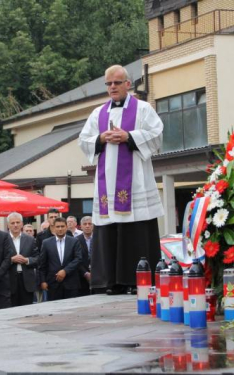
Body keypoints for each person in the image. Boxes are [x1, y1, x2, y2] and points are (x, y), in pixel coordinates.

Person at [78, 65, 164, 295]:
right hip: (107, 185)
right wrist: (101, 138)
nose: (112, 87)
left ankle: (138, 280)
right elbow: (83, 140)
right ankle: (111, 282)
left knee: (135, 230)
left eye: (117, 82)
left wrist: (129, 137)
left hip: (135, 180)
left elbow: (157, 135)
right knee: (110, 229)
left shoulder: (143, 109)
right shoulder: (98, 113)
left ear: (128, 83)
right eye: (109, 84)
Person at [39, 217, 82, 301]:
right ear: (54, 228)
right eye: (58, 226)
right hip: (53, 284)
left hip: (71, 283)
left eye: (62, 226)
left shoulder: (74, 241)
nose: (60, 229)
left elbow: (78, 259)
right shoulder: (46, 243)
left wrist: (65, 271)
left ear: (66, 227)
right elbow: (42, 264)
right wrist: (43, 281)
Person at [7, 213, 38, 306]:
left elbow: (38, 258)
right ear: (8, 225)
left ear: (22, 224)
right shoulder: (3, 239)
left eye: (17, 222)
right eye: (12, 223)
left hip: (27, 281)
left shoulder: (30, 239)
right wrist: (11, 260)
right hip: (9, 281)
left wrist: (27, 260)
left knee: (27, 310)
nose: (15, 225)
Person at [76, 216, 93, 296]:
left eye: (90, 224)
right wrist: (85, 273)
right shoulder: (75, 240)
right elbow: (76, 259)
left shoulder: (99, 239)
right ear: (81, 226)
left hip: (98, 276)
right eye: (85, 224)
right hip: (81, 277)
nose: (87, 226)